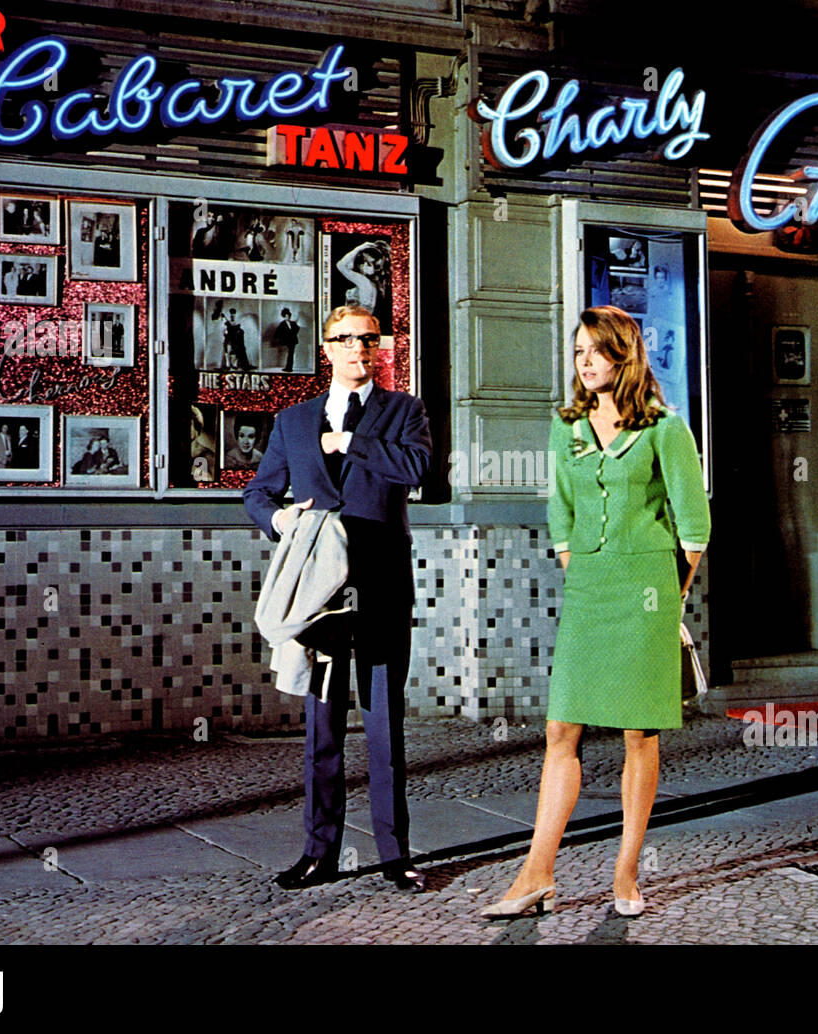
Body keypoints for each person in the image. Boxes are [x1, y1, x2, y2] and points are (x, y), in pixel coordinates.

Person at [480, 305, 709, 919]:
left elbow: (695, 528)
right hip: (589, 586)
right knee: (561, 729)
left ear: (623, 355)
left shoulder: (665, 428)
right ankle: (536, 872)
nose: (583, 361)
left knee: (639, 732)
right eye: (577, 351)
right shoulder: (568, 425)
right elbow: (559, 504)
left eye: (594, 351)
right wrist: (569, 558)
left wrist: (670, 598)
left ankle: (628, 873)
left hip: (647, 590)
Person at [244, 304, 432, 894]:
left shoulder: (405, 411)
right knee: (321, 727)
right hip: (318, 594)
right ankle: (318, 852)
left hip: (380, 584)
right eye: (346, 339)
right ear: (324, 348)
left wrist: (350, 439)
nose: (359, 348)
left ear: (380, 349)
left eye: (369, 339)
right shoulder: (293, 421)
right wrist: (279, 518)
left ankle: (395, 855)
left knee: (384, 725)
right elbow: (258, 491)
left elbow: (418, 468)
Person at [273, 307, 301, 372]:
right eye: (285, 316)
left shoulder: (293, 323)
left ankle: (289, 368)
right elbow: (277, 332)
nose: (287, 317)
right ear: (283, 316)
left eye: (288, 315)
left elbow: (297, 329)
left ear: (289, 315)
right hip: (287, 341)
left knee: (291, 354)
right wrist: (279, 339)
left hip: (293, 341)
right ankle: (288, 367)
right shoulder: (282, 324)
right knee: (289, 354)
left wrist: (293, 333)